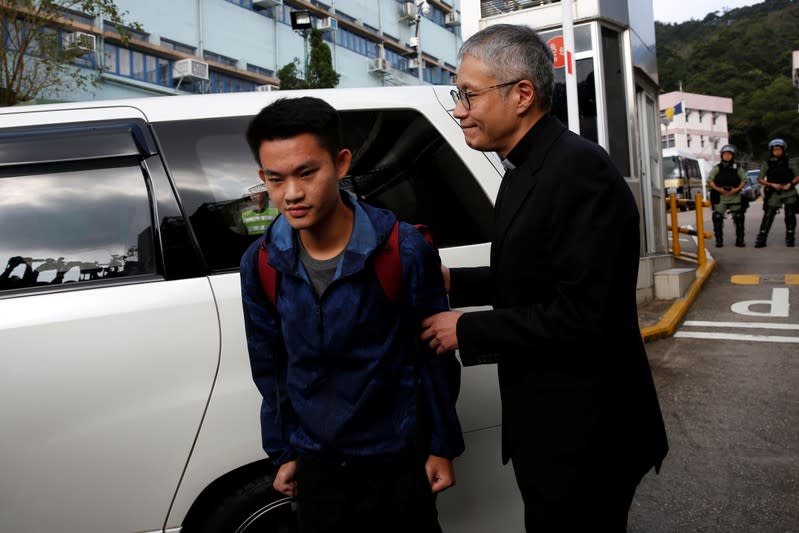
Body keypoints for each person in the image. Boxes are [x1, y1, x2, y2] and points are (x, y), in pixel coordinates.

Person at [420, 24, 668, 532]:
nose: (459, 109)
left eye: (468, 94)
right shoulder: (525, 166)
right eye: (456, 94)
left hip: (588, 431)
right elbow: (534, 273)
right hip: (552, 424)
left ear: (522, 95)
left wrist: (464, 328)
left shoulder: (578, 171)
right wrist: (455, 283)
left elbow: (584, 313)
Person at [239, 96, 464, 533]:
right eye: (275, 178)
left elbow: (434, 357)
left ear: (341, 164)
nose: (291, 194)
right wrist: (283, 451)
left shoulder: (404, 249)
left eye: (307, 173)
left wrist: (442, 446)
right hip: (317, 465)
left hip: (397, 461)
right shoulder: (262, 262)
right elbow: (271, 368)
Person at [754, 138, 799, 248]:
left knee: (790, 214)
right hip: (774, 191)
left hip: (789, 191)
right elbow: (760, 179)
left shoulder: (791, 161)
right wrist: (771, 184)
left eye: (779, 149)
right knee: (768, 214)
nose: (777, 151)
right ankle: (762, 238)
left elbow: (798, 176)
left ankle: (790, 237)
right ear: (771, 151)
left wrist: (790, 184)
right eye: (775, 150)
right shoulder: (767, 163)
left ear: (783, 150)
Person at [707, 144, 747, 247]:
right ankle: (719, 240)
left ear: (733, 155)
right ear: (721, 155)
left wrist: (736, 189)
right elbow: (710, 181)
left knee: (739, 216)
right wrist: (719, 189)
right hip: (721, 196)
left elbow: (744, 180)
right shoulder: (717, 168)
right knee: (717, 216)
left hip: (735, 195)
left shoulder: (738, 168)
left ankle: (740, 240)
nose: (727, 156)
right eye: (725, 154)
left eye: (729, 154)